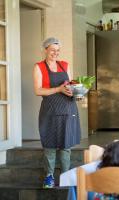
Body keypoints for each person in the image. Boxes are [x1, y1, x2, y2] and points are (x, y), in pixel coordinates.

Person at [33, 37, 81, 188]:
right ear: (45, 49)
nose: (55, 53)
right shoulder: (39, 67)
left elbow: (70, 85)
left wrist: (76, 92)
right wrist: (58, 89)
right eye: (52, 50)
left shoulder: (64, 65)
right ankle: (49, 177)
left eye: (58, 50)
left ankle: (66, 176)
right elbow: (38, 90)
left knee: (66, 146)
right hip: (50, 110)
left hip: (67, 108)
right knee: (50, 145)